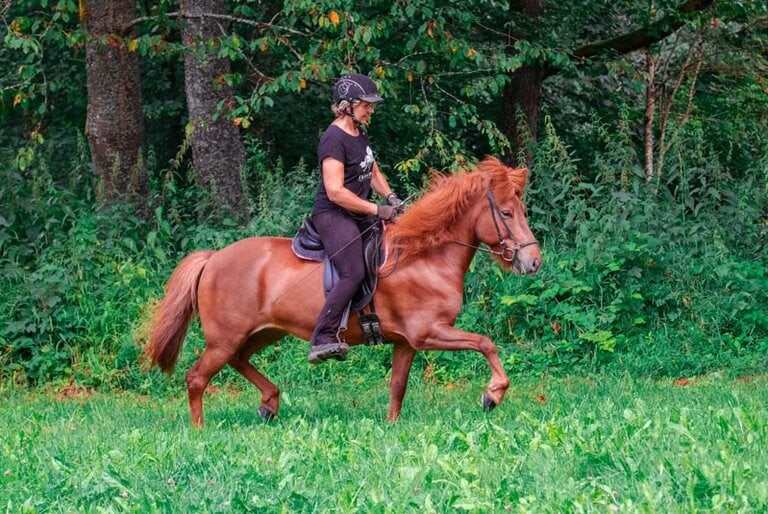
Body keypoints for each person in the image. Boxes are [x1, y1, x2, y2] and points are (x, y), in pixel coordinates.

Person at [307, 73, 403, 364]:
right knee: (353, 271)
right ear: (347, 105)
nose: (370, 109)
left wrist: (391, 199)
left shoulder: (360, 132)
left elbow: (371, 171)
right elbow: (335, 191)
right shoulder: (333, 139)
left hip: (358, 211)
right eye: (366, 104)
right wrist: (377, 210)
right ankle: (322, 336)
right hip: (333, 215)